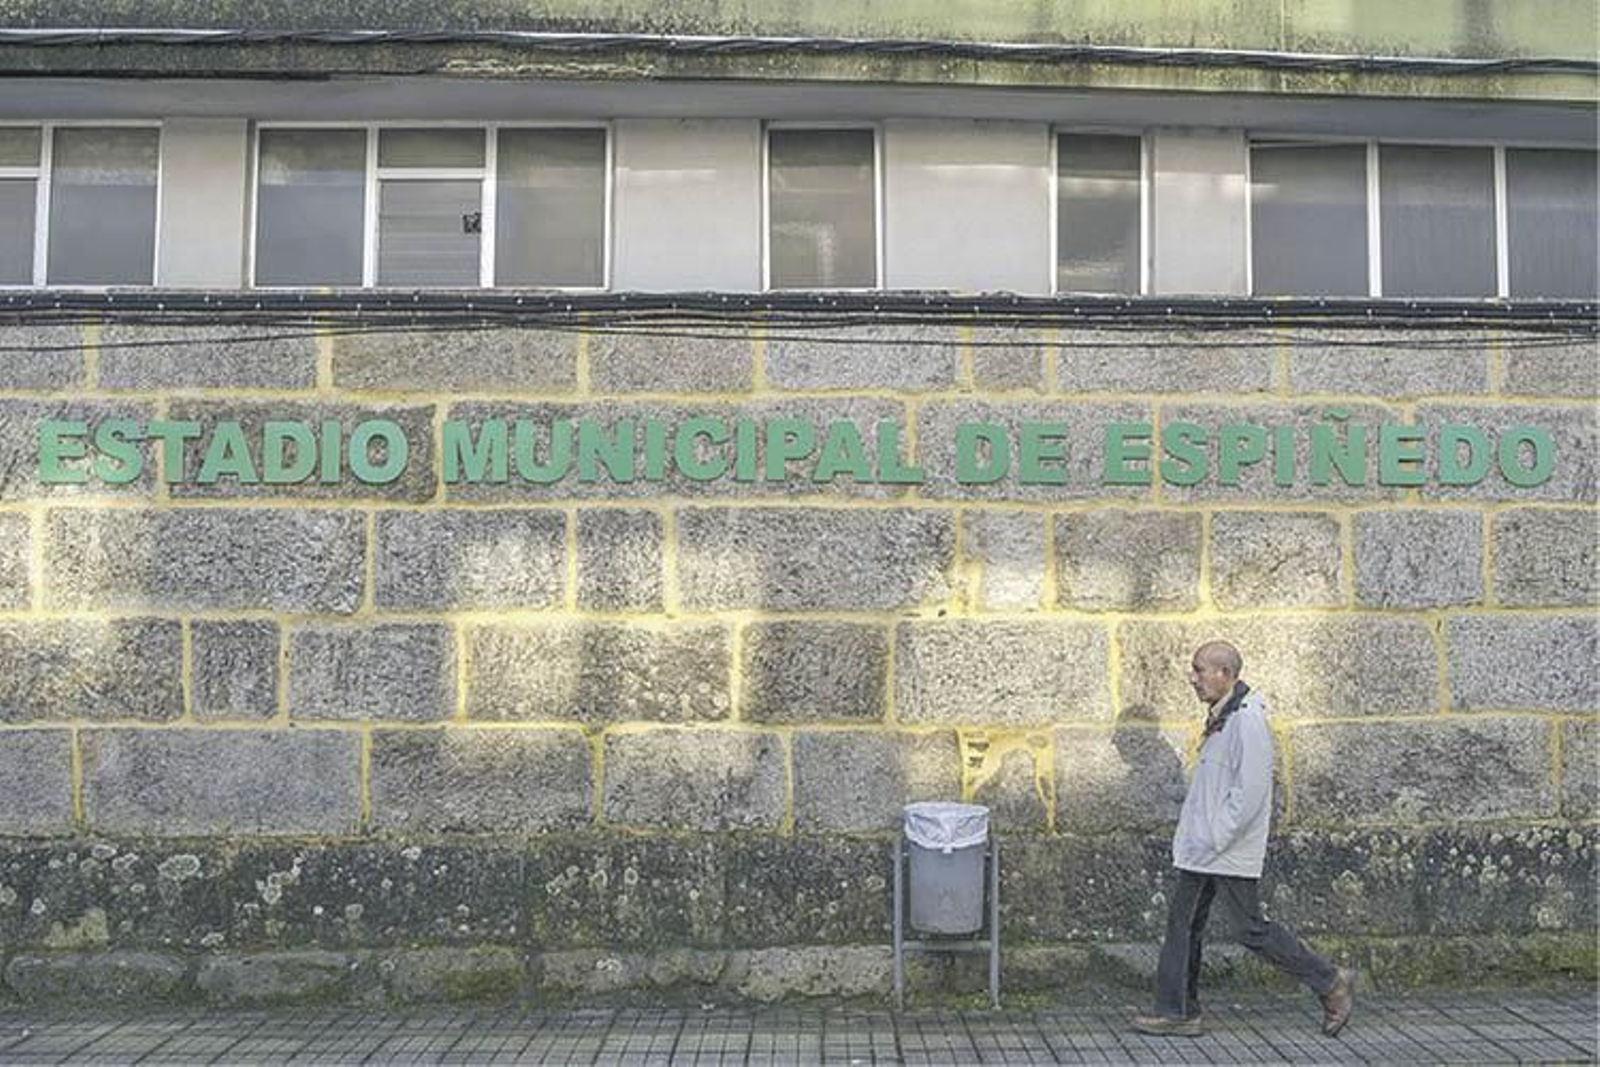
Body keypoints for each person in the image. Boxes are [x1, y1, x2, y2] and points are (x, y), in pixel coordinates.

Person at [1131, 640, 1356, 1038]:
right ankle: (1179, 1011)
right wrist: (1201, 839)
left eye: (1200, 670)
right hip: (1205, 849)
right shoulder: (1225, 716)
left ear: (1225, 674)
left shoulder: (1247, 720)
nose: (1194, 678)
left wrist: (1215, 837)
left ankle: (1330, 982)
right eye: (1195, 670)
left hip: (1223, 849)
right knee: (1183, 925)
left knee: (1250, 929)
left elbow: (1250, 793)